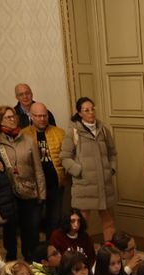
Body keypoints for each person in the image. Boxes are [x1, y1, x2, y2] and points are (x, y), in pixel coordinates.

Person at [60, 96, 117, 243]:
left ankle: (109, 250)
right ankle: (80, 250)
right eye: (86, 110)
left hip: (104, 184)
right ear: (80, 113)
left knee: (109, 221)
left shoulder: (103, 129)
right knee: (80, 223)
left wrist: (111, 169)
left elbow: (112, 152)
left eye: (92, 109)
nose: (91, 113)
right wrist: (79, 171)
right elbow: (65, 157)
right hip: (84, 185)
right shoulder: (73, 132)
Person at [0, 104, 45, 261]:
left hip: (29, 191)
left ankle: (30, 258)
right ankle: (12, 258)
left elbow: (38, 169)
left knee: (32, 228)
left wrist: (42, 194)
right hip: (7, 192)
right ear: (0, 121)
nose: (13, 119)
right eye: (8, 117)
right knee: (10, 229)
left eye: (13, 116)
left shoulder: (28, 140)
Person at [28, 102, 66, 239]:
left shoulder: (59, 133)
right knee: (34, 221)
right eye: (38, 116)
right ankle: (34, 253)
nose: (42, 119)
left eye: (44, 115)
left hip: (55, 184)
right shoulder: (24, 134)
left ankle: (53, 250)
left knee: (54, 220)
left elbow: (67, 157)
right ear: (31, 117)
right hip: (34, 188)